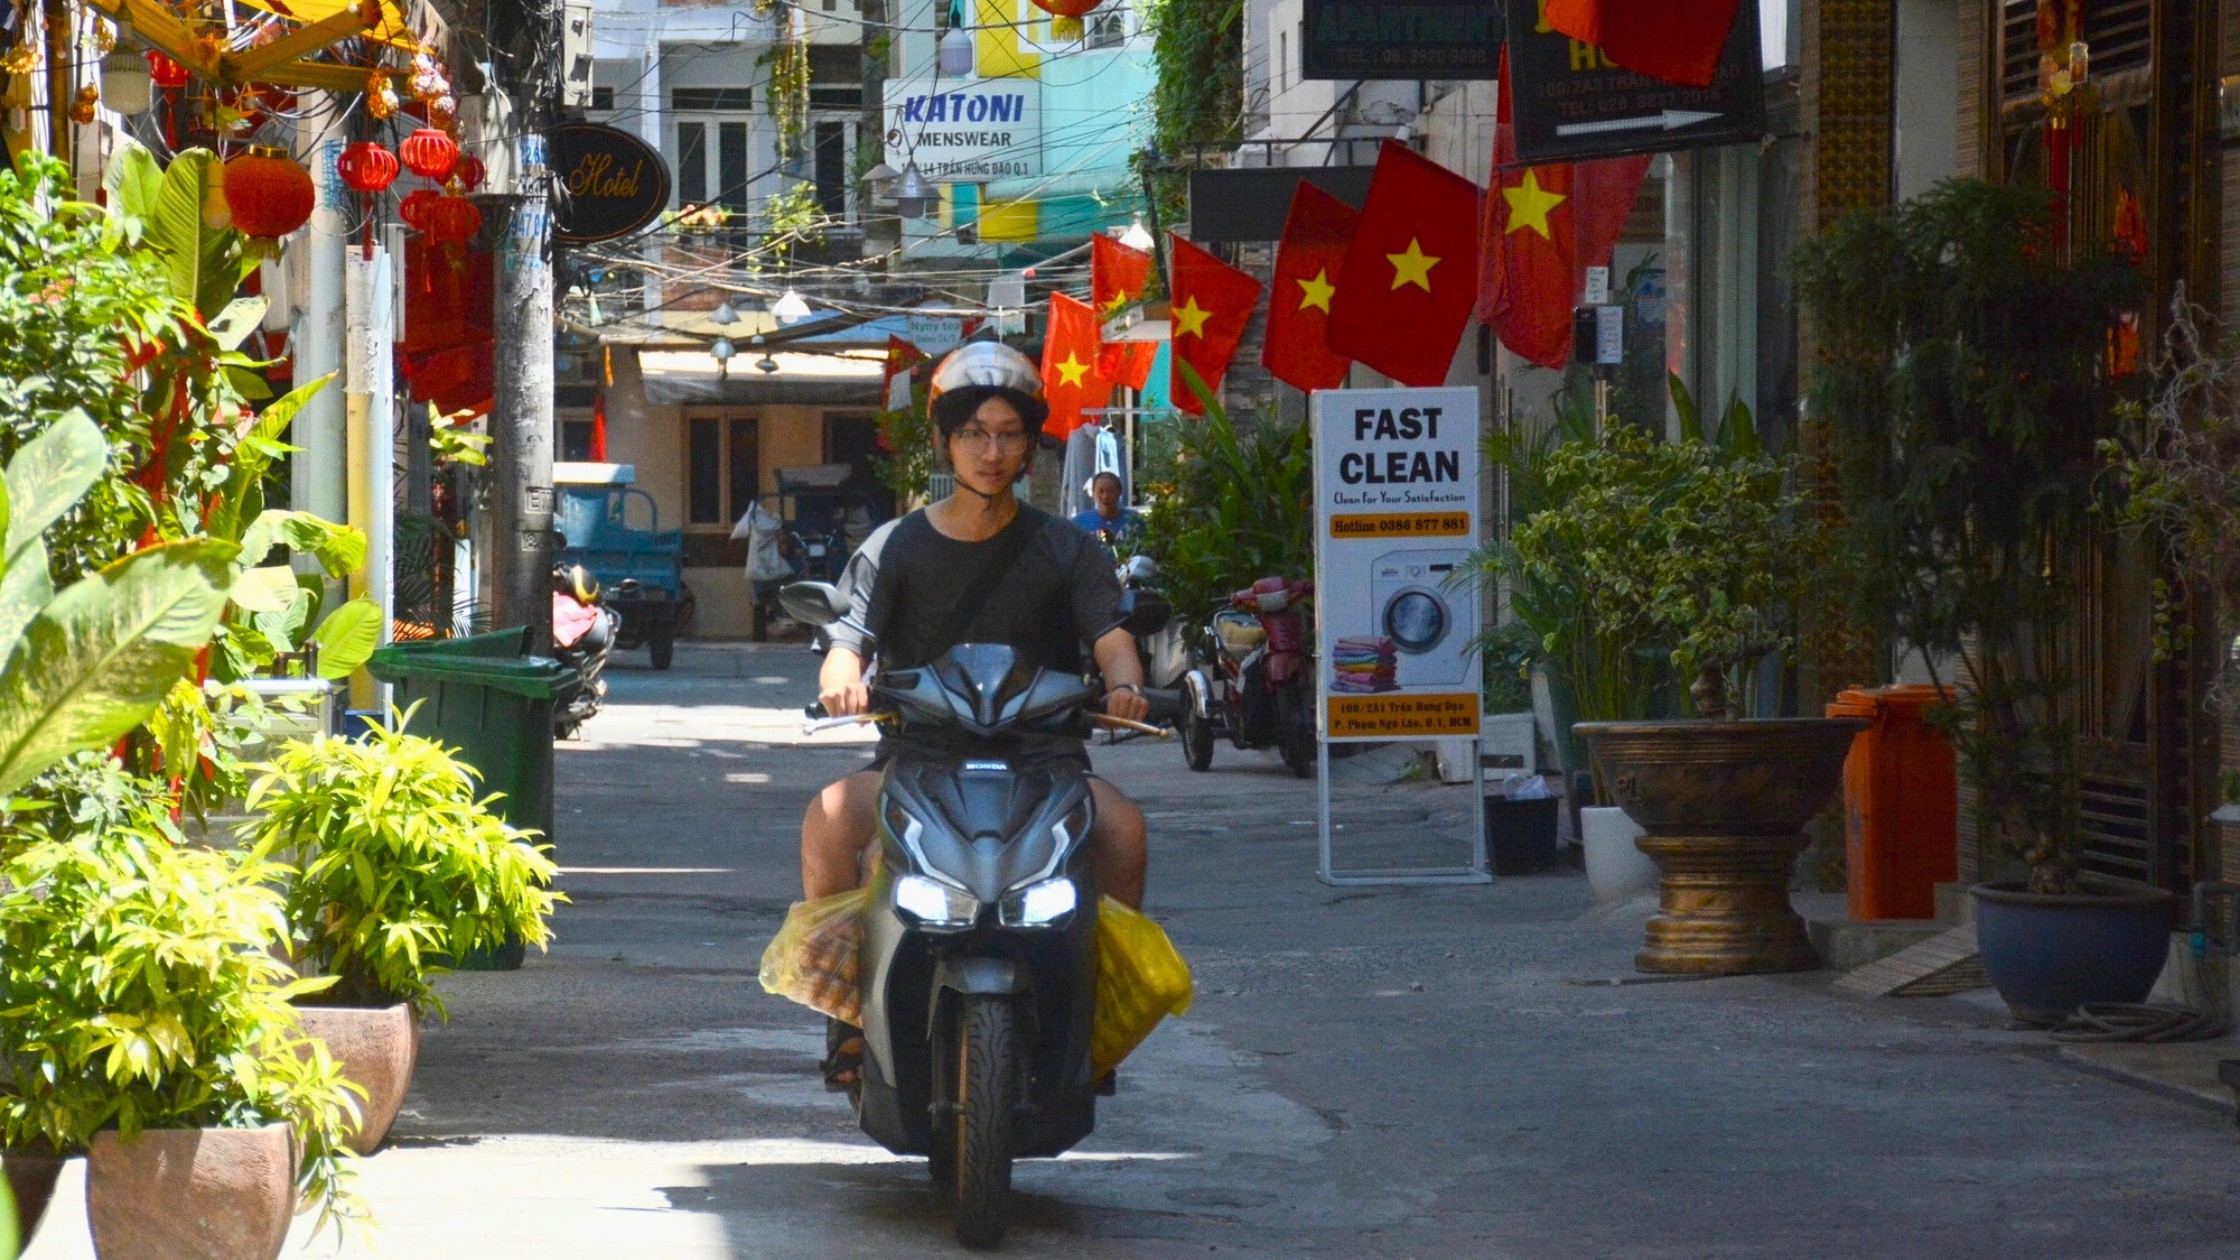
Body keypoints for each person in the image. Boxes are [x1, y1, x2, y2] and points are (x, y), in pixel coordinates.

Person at [1070, 469, 1146, 551]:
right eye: (1101, 491)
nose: (1105, 496)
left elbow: (1145, 548)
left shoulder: (1133, 519)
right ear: (1093, 492)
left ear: (1119, 492)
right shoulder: (1080, 522)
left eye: (1110, 491)